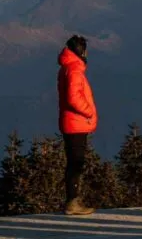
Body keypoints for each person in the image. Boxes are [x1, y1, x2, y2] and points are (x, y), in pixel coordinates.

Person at [57, 35, 97, 216]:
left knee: (74, 163)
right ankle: (73, 202)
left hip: (73, 123)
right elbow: (74, 98)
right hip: (76, 123)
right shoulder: (74, 69)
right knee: (76, 163)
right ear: (80, 51)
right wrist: (88, 111)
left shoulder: (68, 68)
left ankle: (73, 200)